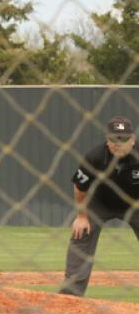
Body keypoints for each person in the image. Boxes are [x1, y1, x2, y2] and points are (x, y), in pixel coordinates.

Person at [59, 116, 139, 296]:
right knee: (81, 232)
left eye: (124, 139)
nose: (118, 143)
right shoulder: (95, 157)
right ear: (107, 139)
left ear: (132, 140)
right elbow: (80, 187)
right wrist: (81, 216)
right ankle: (71, 294)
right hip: (100, 202)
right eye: (114, 139)